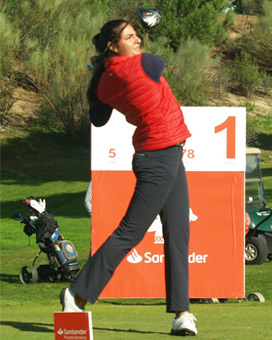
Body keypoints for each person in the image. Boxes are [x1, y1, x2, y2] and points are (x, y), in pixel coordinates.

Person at [60, 20, 197, 336]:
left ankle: (182, 313)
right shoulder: (145, 64)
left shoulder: (104, 83)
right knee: (129, 233)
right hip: (159, 157)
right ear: (112, 44)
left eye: (137, 34)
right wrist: (102, 62)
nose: (138, 40)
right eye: (130, 36)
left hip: (166, 154)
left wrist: (101, 64)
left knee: (177, 233)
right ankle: (76, 293)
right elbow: (158, 62)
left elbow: (99, 115)